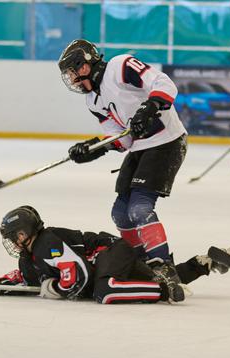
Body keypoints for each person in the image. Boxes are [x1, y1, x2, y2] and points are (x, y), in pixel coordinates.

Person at [57, 39, 187, 287]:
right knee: (120, 213)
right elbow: (125, 139)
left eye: (73, 72)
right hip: (140, 148)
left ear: (85, 64)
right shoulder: (92, 101)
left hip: (166, 142)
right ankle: (141, 263)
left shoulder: (120, 66)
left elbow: (164, 84)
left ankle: (163, 266)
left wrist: (150, 106)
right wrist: (94, 148)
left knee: (139, 209)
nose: (72, 79)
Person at [0, 206, 230, 305]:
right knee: (149, 277)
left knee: (104, 291)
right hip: (107, 262)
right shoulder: (29, 256)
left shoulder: (47, 243)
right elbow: (26, 280)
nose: (14, 241)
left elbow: (79, 278)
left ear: (27, 231)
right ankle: (205, 263)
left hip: (110, 251)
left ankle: (165, 292)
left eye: (16, 235)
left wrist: (54, 287)